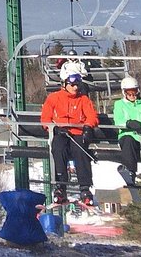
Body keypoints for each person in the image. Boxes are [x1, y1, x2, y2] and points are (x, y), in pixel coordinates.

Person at [40, 72, 99, 205]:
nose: (75, 88)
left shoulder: (83, 99)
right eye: (72, 85)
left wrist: (88, 127)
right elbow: (45, 117)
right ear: (65, 84)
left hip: (77, 132)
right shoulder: (54, 98)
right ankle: (61, 185)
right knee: (58, 148)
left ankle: (85, 188)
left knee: (80, 150)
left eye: (77, 85)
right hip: (61, 133)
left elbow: (92, 116)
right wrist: (54, 128)